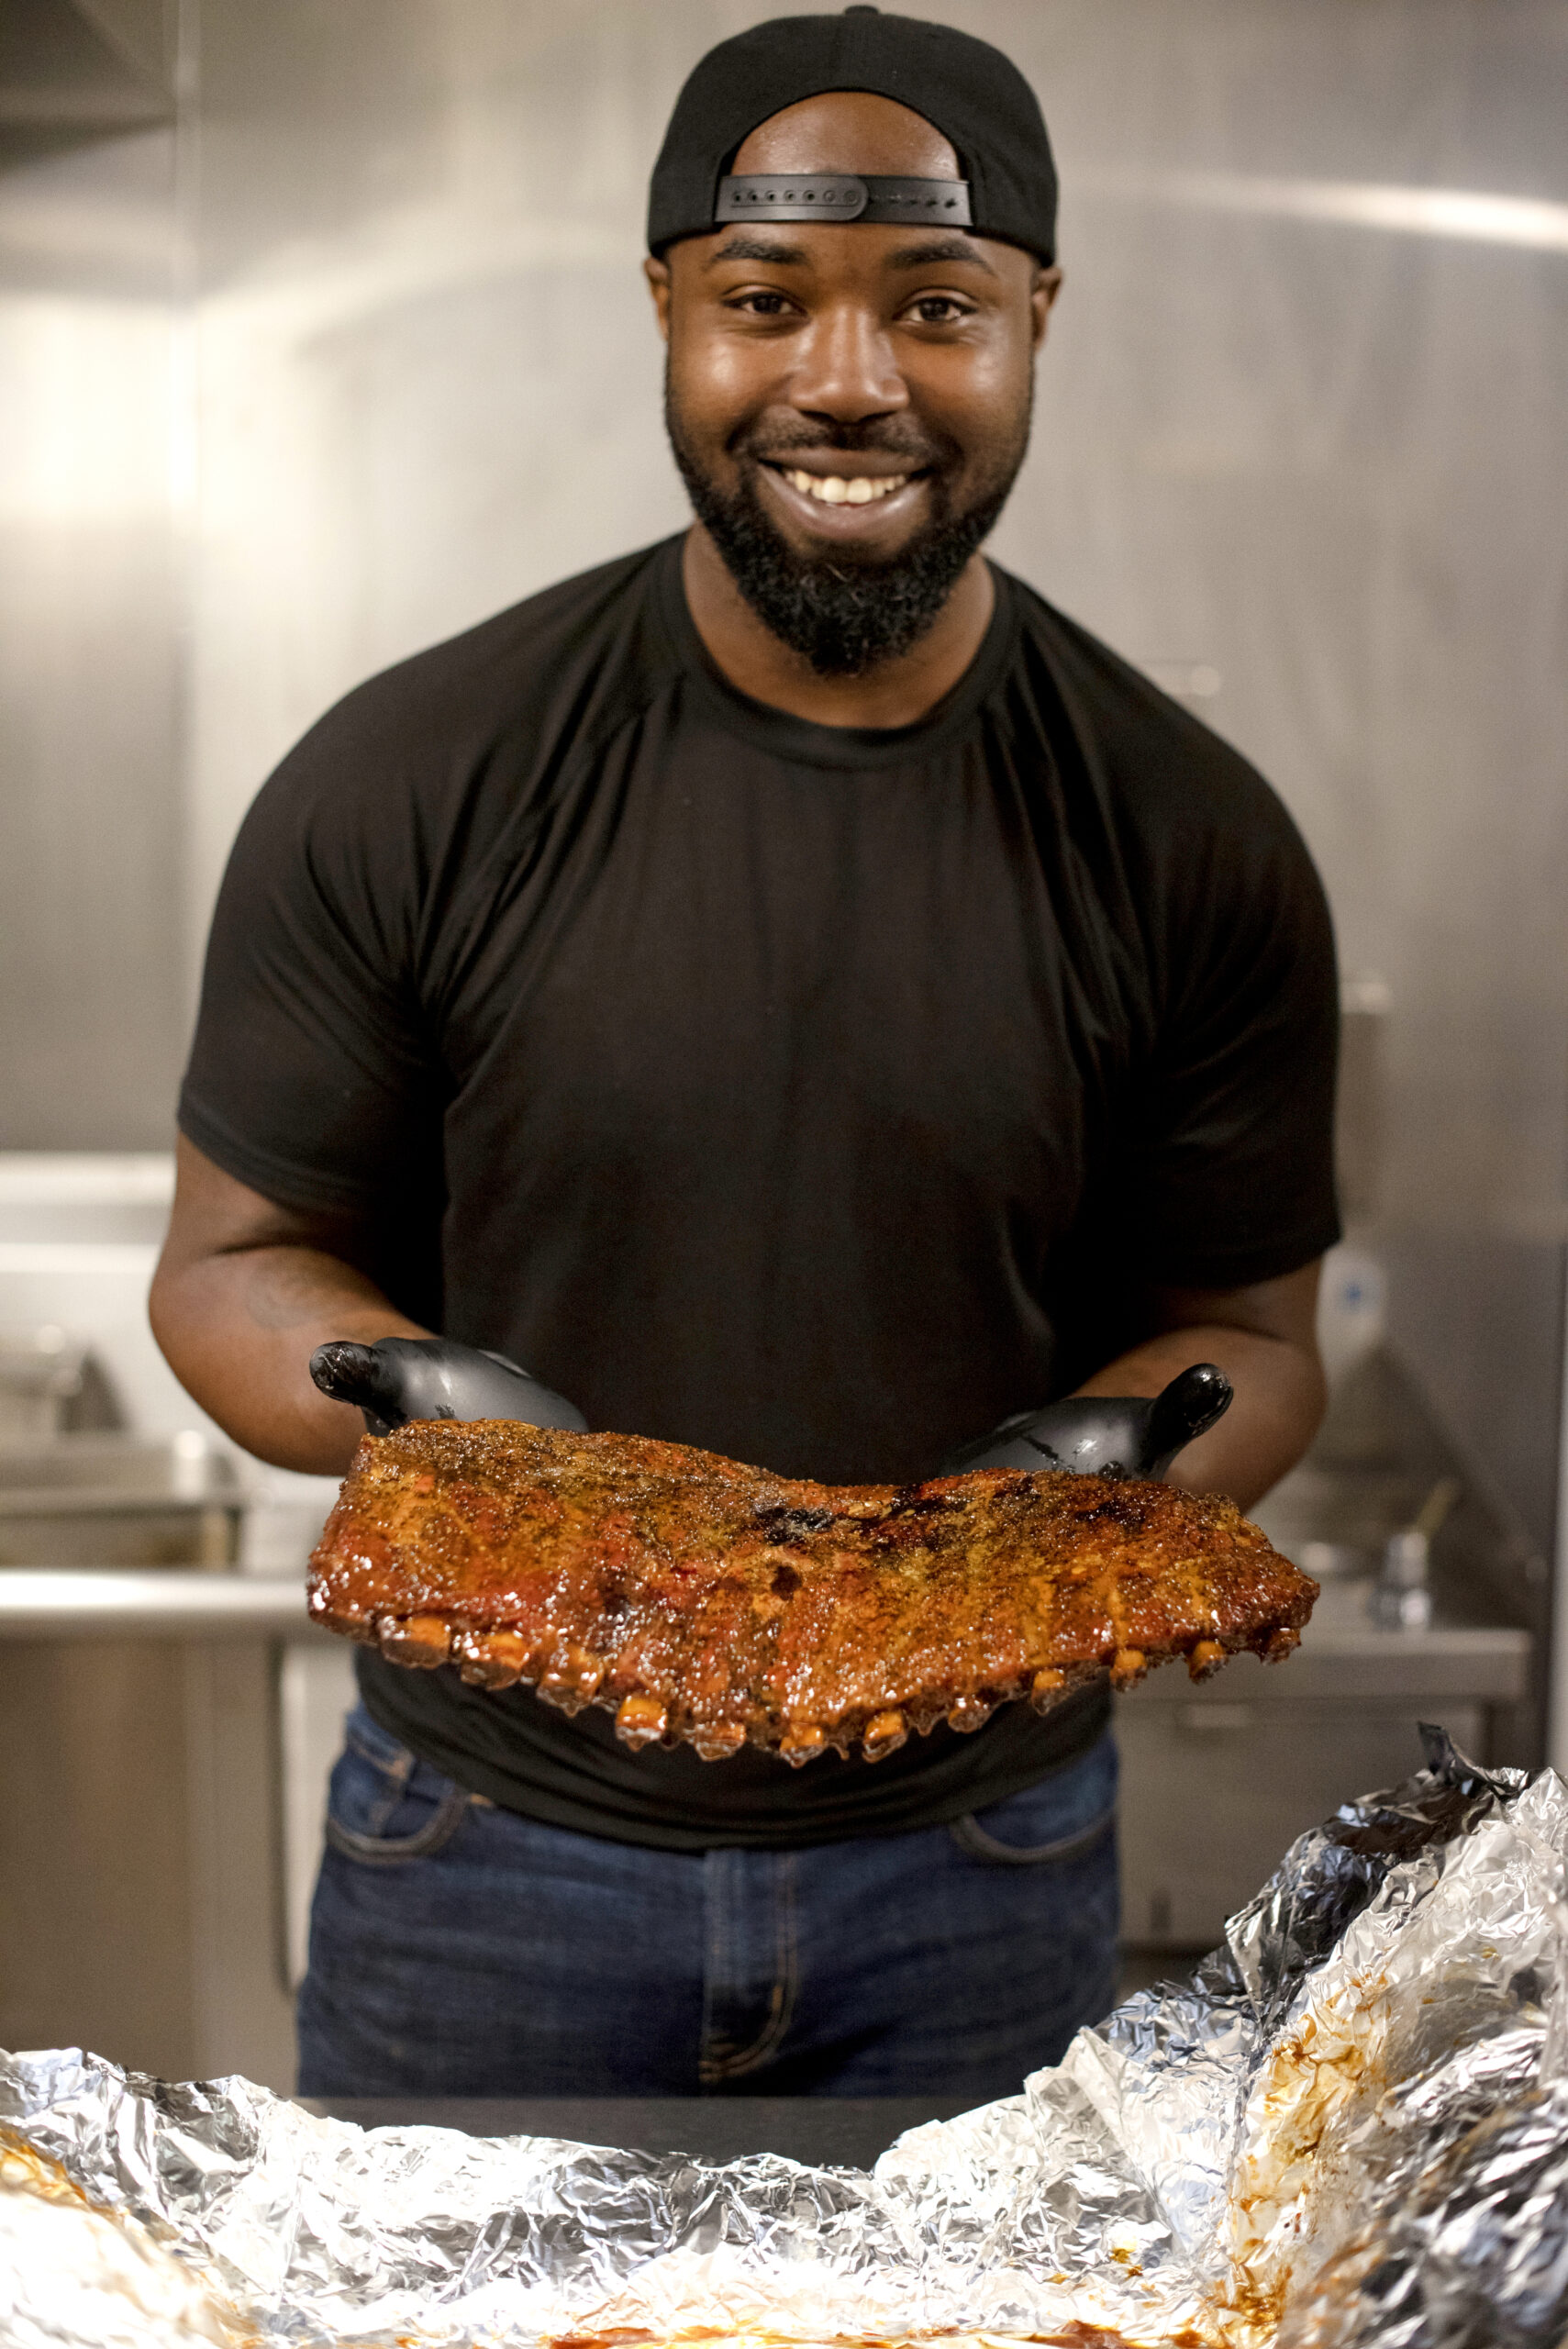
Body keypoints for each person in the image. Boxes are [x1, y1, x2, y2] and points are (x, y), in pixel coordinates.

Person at [150, 7, 1340, 2101]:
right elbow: (235, 1261)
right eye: (766, 302)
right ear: (670, 312)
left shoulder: (1190, 835)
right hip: (487, 1858)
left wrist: (1092, 1478)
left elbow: (1245, 1332)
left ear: (1040, 317)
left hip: (981, 1857)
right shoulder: (412, 777)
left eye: (939, 306)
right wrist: (408, 1399)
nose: (850, 383)